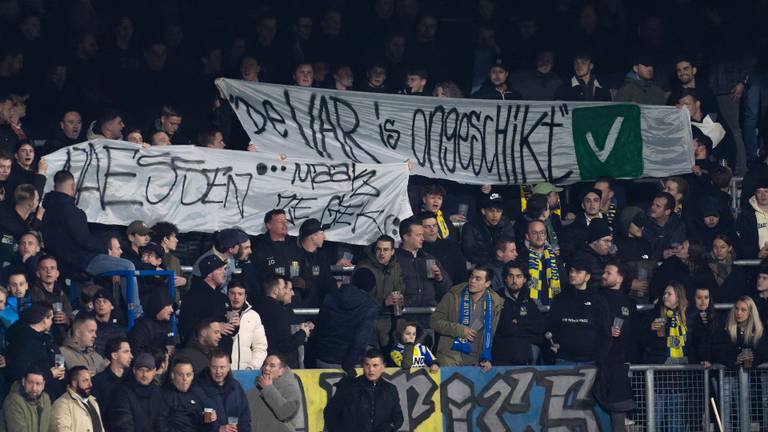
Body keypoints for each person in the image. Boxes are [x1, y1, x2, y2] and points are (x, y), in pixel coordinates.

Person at [41, 171, 139, 313]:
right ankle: (135, 312)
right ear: (73, 186)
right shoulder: (71, 210)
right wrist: (107, 251)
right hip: (82, 261)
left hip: (63, 264)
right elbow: (83, 239)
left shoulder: (47, 211)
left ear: (55, 186)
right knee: (127, 266)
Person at [431, 267, 503, 370]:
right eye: (471, 277)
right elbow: (434, 321)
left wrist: (486, 358)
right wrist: (459, 330)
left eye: (478, 279)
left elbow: (491, 335)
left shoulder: (495, 303)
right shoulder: (453, 296)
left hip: (477, 363)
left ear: (487, 283)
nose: (472, 281)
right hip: (451, 359)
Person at [594, 262, 637, 430]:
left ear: (620, 277)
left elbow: (634, 334)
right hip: (599, 360)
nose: (603, 275)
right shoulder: (597, 299)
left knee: (618, 409)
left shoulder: (629, 303)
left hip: (621, 363)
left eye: (608, 272)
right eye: (603, 271)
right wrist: (606, 331)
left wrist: (630, 360)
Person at [548, 257, 611, 365]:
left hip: (590, 361)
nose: (573, 274)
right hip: (563, 358)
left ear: (587, 276)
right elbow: (551, 326)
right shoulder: (560, 299)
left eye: (578, 272)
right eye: (571, 271)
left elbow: (605, 333)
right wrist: (553, 345)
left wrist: (600, 359)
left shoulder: (598, 301)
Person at [312, 268, 378, 369]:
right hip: (351, 362)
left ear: (352, 280)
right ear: (371, 287)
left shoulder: (331, 296)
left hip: (324, 357)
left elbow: (319, 327)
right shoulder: (369, 306)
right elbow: (361, 339)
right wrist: (349, 363)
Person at [324, 349, 403, 432]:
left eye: (375, 365)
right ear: (363, 366)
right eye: (367, 365)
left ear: (383, 367)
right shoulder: (349, 387)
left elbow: (398, 418)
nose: (371, 369)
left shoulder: (390, 389)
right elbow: (330, 414)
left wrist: (388, 427)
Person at [492, 261, 546, 365]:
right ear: (505, 278)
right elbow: (501, 327)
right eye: (511, 276)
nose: (514, 280)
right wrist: (525, 325)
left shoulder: (532, 299)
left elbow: (540, 326)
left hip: (527, 354)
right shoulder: (495, 298)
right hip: (501, 355)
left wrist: (520, 322)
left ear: (525, 279)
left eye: (519, 276)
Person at [356, 234, 405, 349]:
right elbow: (357, 300)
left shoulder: (396, 268)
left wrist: (402, 301)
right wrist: (384, 303)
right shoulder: (364, 268)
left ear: (392, 251)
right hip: (368, 326)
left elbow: (401, 289)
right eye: (379, 249)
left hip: (390, 327)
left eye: (386, 250)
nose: (382, 253)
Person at [5, 303, 65, 393]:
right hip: (34, 393)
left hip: (52, 388)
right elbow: (22, 372)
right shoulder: (23, 340)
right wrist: (50, 374)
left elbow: (58, 355)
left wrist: (60, 369)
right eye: (51, 319)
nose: (52, 322)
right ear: (44, 319)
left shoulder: (46, 337)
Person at [254, 277, 312, 369]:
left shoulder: (255, 308)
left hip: (260, 362)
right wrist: (303, 333)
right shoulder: (279, 312)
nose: (290, 293)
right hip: (277, 366)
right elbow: (286, 345)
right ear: (276, 291)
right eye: (285, 288)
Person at [396, 217, 452, 310]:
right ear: (406, 237)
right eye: (418, 235)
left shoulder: (429, 259)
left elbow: (447, 291)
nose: (423, 238)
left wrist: (440, 279)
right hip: (404, 315)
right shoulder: (394, 260)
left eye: (422, 235)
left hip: (430, 314)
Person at [192, 351, 251, 432]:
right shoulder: (198, 389)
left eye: (222, 367)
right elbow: (193, 421)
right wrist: (218, 429)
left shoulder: (236, 387)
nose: (218, 371)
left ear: (228, 367)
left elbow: (245, 418)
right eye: (214, 367)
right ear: (209, 366)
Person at [178, 255, 232, 341]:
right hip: (202, 350)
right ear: (209, 274)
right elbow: (186, 325)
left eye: (224, 269)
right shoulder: (193, 297)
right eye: (219, 269)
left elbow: (229, 328)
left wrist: (234, 324)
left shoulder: (223, 298)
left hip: (223, 350)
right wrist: (215, 328)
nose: (224, 272)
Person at [109, 353, 165, 431]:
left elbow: (161, 423)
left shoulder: (158, 393)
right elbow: (123, 424)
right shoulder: (122, 392)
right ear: (134, 370)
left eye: (148, 370)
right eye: (141, 370)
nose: (144, 374)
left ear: (154, 371)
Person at [158, 358, 217, 432]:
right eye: (180, 375)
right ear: (173, 375)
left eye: (188, 375)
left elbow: (203, 427)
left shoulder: (195, 396)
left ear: (192, 376)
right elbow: (160, 425)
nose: (185, 379)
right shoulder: (164, 396)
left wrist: (210, 421)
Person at [247, 354, 302, 432]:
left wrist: (268, 388)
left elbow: (285, 413)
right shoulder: (253, 391)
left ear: (281, 371)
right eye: (265, 364)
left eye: (272, 366)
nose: (266, 368)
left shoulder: (290, 389)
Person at [462, 193, 515, 266]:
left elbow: (510, 249)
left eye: (498, 211)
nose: (495, 215)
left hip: (503, 264)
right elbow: (470, 253)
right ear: (483, 211)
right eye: (491, 211)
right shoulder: (470, 227)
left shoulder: (506, 225)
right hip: (480, 266)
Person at [251, 209, 301, 285]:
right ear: (269, 225)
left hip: (294, 292)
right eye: (280, 222)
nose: (284, 225)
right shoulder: (259, 247)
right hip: (270, 293)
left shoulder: (295, 244)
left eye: (285, 221)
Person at [191, 228, 249, 293]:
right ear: (231, 248)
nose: (241, 247)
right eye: (239, 244)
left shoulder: (231, 259)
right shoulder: (204, 262)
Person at [519, 219, 563, 306]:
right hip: (529, 308)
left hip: (554, 307)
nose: (539, 236)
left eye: (542, 233)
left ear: (546, 235)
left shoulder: (555, 258)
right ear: (527, 236)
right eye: (535, 233)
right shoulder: (521, 259)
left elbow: (564, 283)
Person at [228, 278, 267, 370]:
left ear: (245, 296)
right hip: (223, 373)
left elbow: (260, 347)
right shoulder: (220, 312)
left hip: (246, 372)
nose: (236, 297)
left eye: (240, 294)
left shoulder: (254, 316)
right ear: (227, 294)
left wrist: (252, 367)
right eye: (233, 293)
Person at [421, 211, 469, 285]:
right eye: (427, 227)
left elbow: (462, 275)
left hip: (453, 291)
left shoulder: (452, 246)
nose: (432, 230)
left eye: (434, 225)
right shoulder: (418, 250)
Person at [91, 336, 132, 419]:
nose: (131, 356)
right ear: (114, 355)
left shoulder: (131, 380)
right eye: (126, 352)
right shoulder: (97, 381)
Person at [2, 366, 52, 431]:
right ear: (23, 381)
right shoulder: (13, 401)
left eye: (38, 384)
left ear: (43, 385)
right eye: (30, 382)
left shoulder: (46, 399)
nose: (34, 388)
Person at [128, 289, 174, 356]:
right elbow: (139, 354)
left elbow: (171, 346)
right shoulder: (142, 328)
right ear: (159, 306)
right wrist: (162, 353)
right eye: (168, 305)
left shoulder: (167, 325)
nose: (172, 310)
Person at [643, 192, 687, 261]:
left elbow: (676, 245)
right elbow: (645, 251)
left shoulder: (678, 225)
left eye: (658, 206)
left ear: (667, 211)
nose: (652, 207)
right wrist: (661, 254)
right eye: (653, 204)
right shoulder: (645, 223)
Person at [707, 234, 746, 304]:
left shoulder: (738, 270)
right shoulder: (705, 269)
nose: (719, 251)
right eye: (715, 247)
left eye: (723, 247)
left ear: (730, 248)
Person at [736, 178, 768, 259]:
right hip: (757, 264)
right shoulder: (746, 216)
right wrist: (757, 254)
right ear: (755, 194)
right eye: (759, 192)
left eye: (766, 191)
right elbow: (742, 243)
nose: (763, 195)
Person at [150, 222, 187, 291]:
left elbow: (182, 278)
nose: (177, 240)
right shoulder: (150, 258)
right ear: (165, 239)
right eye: (174, 237)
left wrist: (185, 281)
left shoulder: (175, 260)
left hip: (174, 300)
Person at [91, 289, 126, 356]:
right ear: (94, 306)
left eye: (105, 301)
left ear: (112, 306)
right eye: (98, 302)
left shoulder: (118, 329)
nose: (101, 304)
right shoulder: (88, 326)